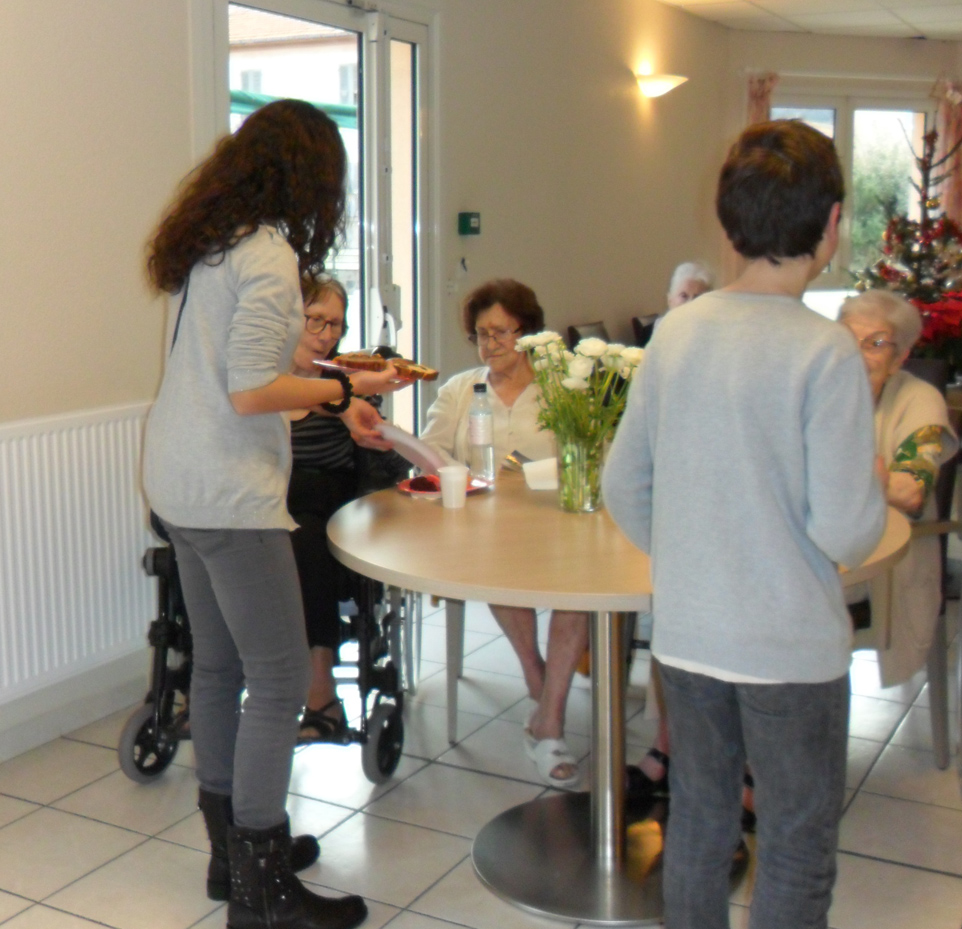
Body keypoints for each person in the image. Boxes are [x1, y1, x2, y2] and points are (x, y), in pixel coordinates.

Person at [604, 120, 887, 929]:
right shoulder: (823, 351)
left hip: (689, 637)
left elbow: (624, 487)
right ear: (833, 224)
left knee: (698, 824)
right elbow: (846, 527)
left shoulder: (677, 334)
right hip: (789, 650)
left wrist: (698, 552)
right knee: (796, 850)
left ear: (726, 225)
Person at [142, 99, 404, 929]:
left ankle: (232, 851)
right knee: (281, 678)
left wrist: (329, 371)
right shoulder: (268, 252)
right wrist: (343, 391)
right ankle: (262, 892)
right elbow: (250, 392)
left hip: (178, 478)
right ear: (310, 176)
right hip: (228, 489)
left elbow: (241, 355)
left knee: (216, 668)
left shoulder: (212, 242)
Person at [418, 278, 589, 788]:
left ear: (528, 331)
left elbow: (586, 452)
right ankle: (540, 683)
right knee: (494, 566)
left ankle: (549, 718)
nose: (490, 345)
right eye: (480, 335)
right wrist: (458, 473)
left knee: (576, 593)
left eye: (500, 333)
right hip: (485, 526)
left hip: (556, 523)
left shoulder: (562, 386)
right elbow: (431, 453)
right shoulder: (460, 389)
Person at [287, 274, 410, 741]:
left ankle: (322, 696)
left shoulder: (347, 379)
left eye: (334, 324)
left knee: (306, 535)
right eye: (313, 319)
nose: (324, 332)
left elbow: (369, 412)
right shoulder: (261, 375)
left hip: (327, 496)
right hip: (266, 497)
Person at [626, 260, 717, 799]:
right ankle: (668, 745)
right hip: (679, 533)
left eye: (697, 297)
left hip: (720, 541)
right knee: (670, 625)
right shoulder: (654, 364)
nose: (688, 305)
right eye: (680, 296)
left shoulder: (723, 365)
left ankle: (718, 764)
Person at [840, 290, 958, 687]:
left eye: (875, 344)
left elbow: (910, 493)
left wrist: (833, 479)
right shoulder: (817, 393)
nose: (856, 354)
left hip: (886, 554)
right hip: (819, 546)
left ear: (901, 355)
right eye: (846, 339)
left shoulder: (919, 400)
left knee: (794, 607)